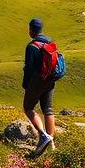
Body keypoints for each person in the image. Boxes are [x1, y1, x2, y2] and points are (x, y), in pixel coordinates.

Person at [23, 18, 56, 157]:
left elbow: (29, 69)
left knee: (28, 107)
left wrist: (26, 84)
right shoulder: (50, 43)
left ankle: (43, 136)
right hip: (50, 80)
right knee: (48, 109)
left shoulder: (32, 46)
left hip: (37, 80)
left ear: (31, 30)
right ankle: (51, 143)